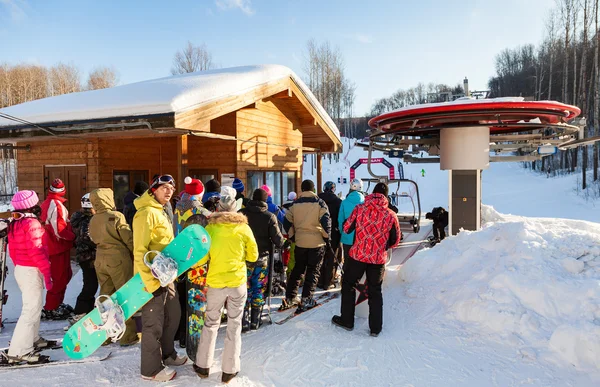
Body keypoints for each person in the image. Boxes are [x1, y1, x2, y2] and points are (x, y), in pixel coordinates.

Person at [193, 186, 258, 384]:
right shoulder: (244, 228)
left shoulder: (211, 228)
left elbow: (202, 258)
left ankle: (203, 365)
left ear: (219, 207)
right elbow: (253, 255)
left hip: (215, 282)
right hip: (237, 282)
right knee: (234, 324)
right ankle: (229, 369)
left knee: (211, 323)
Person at [133, 175, 187, 382]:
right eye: (164, 187)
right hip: (151, 279)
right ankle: (150, 369)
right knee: (153, 323)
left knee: (173, 314)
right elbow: (139, 251)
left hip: (166, 275)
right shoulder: (146, 213)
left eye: (171, 188)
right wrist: (150, 282)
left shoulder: (160, 210)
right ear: (153, 189)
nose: (169, 191)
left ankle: (167, 354)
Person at [332, 182, 401, 337]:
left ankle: (347, 321)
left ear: (372, 193)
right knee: (375, 291)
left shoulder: (360, 209)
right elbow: (395, 241)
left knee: (349, 285)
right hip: (378, 259)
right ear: (386, 196)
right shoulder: (391, 215)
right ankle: (375, 328)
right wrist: (382, 245)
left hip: (358, 255)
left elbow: (346, 228)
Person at [6, 190, 53, 363]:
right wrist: (47, 274)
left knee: (35, 306)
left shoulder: (16, 222)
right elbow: (37, 251)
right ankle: (19, 351)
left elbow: (13, 250)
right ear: (31, 206)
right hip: (31, 269)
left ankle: (32, 339)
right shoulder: (31, 223)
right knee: (31, 309)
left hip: (22, 268)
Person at [88, 188, 139, 346]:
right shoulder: (116, 216)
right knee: (124, 297)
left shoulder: (93, 219)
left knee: (105, 297)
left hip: (100, 258)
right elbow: (127, 238)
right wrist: (137, 254)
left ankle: (105, 335)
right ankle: (127, 335)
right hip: (117, 258)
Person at [173, 177, 212, 348]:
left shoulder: (178, 207)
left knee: (180, 297)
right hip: (195, 259)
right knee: (194, 300)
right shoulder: (199, 210)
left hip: (178, 255)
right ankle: (190, 339)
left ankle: (178, 333)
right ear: (199, 192)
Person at [281, 179, 331, 312]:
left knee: (298, 270)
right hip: (316, 242)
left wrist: (293, 236)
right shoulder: (320, 203)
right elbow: (326, 222)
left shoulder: (294, 204)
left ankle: (290, 297)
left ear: (302, 190)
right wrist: (327, 238)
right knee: (313, 271)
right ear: (313, 189)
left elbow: (286, 222)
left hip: (300, 242)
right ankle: (306, 299)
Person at [239, 188, 285, 331]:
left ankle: (244, 320)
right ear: (265, 200)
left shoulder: (241, 214)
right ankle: (255, 320)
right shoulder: (269, 216)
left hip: (244, 258)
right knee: (258, 287)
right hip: (262, 257)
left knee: (244, 288)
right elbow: (278, 240)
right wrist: (283, 242)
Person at [40, 178, 76, 320]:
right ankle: (51, 307)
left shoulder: (48, 203)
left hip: (55, 247)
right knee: (59, 278)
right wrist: (73, 236)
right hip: (57, 247)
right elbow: (59, 230)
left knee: (64, 276)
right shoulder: (56, 205)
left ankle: (55, 304)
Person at [69, 193, 98, 322]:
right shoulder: (87, 220)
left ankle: (87, 310)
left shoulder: (79, 218)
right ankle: (80, 311)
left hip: (84, 255)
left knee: (91, 284)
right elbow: (87, 238)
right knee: (90, 285)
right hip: (89, 256)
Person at [318, 181, 342, 290]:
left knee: (320, 256)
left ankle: (319, 280)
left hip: (319, 231)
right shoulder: (338, 202)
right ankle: (328, 281)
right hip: (334, 232)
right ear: (333, 189)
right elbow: (340, 218)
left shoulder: (318, 200)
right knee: (332, 257)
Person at [338, 178, 365, 270]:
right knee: (359, 261)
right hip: (362, 237)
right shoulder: (365, 202)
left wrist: (343, 233)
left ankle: (345, 279)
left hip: (347, 237)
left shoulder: (344, 202)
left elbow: (340, 219)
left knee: (347, 260)